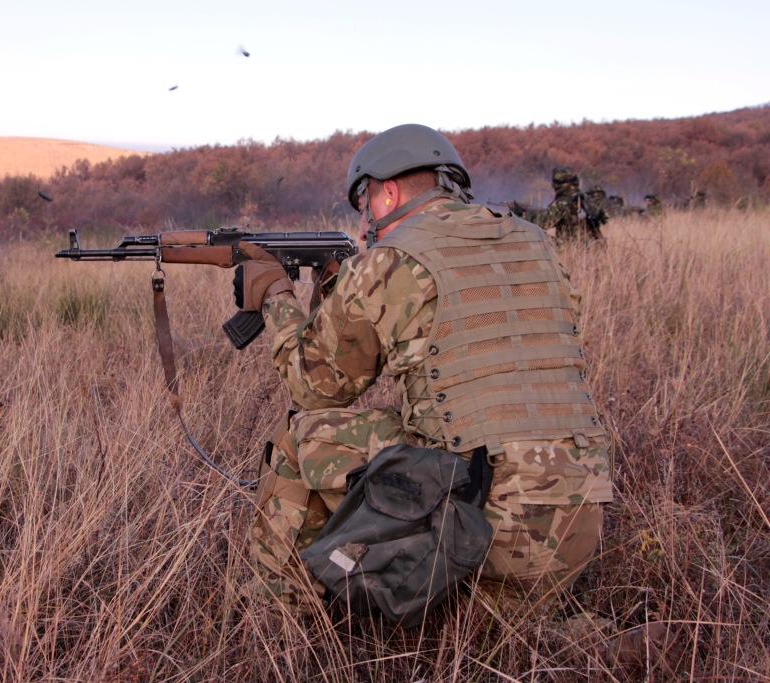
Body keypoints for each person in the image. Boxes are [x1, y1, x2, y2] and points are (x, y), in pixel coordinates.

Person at [240, 124, 613, 615]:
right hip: (577, 521)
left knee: (300, 436)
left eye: (365, 206)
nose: (362, 227)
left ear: (388, 192)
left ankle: (280, 620)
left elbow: (315, 388)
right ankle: (552, 628)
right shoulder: (537, 242)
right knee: (497, 630)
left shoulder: (390, 260)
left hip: (478, 523)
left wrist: (275, 296)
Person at [543, 167, 607, 242]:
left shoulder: (563, 202)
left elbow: (541, 224)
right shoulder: (588, 198)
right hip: (595, 247)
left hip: (573, 247)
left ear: (555, 184)